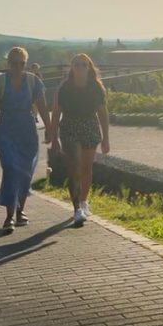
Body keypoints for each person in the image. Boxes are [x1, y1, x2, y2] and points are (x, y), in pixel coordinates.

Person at [0, 47, 51, 233]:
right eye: (14, 63)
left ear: (25, 64)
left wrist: (50, 129)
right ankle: (9, 215)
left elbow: (43, 107)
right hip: (5, 131)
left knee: (24, 173)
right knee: (11, 169)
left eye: (21, 63)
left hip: (27, 132)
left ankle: (21, 210)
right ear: (8, 63)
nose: (18, 66)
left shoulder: (33, 81)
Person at [51, 54, 110, 226]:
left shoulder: (96, 88)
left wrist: (106, 138)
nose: (80, 68)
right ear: (72, 68)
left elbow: (103, 113)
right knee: (74, 167)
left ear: (89, 67)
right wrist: (53, 138)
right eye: (77, 65)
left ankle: (84, 201)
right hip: (69, 127)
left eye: (84, 65)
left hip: (90, 126)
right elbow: (56, 113)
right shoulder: (65, 88)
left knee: (86, 167)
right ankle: (77, 208)